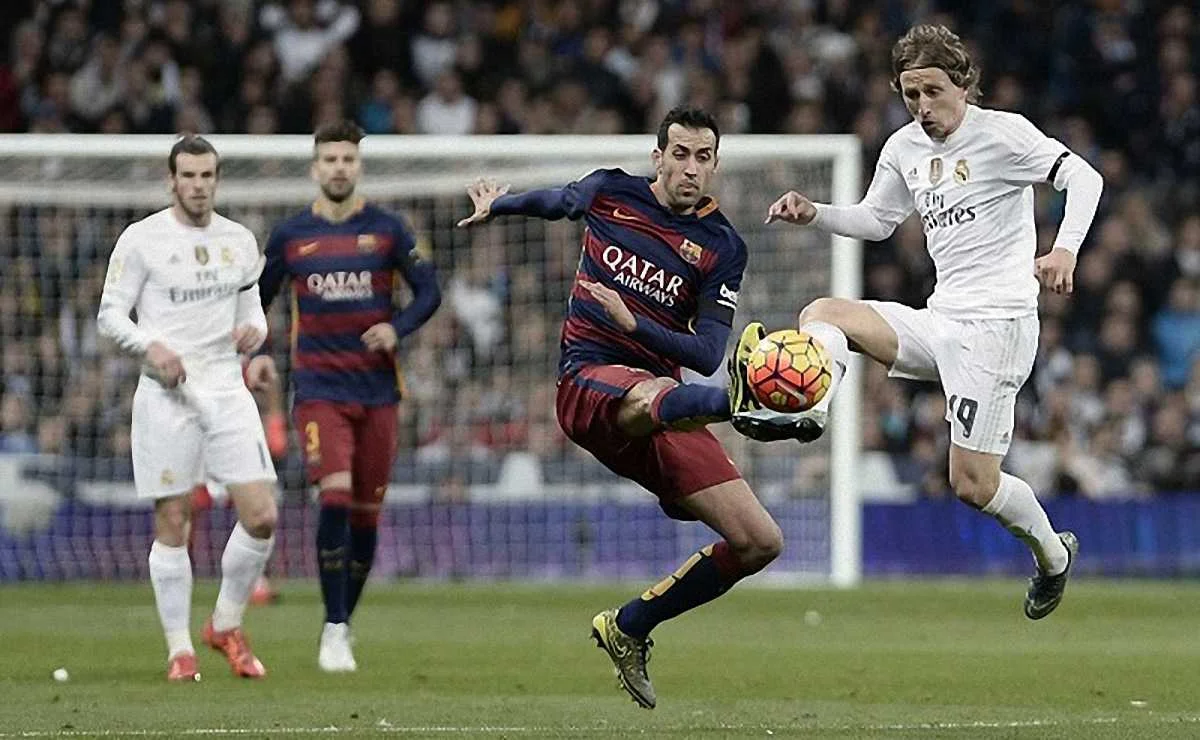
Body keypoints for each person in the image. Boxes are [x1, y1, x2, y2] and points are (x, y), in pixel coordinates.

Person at [457, 106, 805, 710]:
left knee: (760, 541)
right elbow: (559, 201)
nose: (690, 168)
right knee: (651, 395)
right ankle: (744, 405)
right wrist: (500, 205)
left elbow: (706, 352)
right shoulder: (612, 191)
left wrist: (636, 324)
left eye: (702, 158)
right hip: (588, 381)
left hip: (666, 399)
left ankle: (630, 625)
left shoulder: (723, 246)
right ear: (658, 157)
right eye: (680, 154)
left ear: (715, 166)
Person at [764, 24, 1104, 619]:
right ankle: (811, 411)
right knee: (822, 313)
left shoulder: (1003, 134)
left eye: (933, 91)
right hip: (940, 318)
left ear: (963, 85)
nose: (922, 106)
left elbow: (1085, 176)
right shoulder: (904, 147)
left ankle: (1053, 556)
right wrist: (814, 212)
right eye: (911, 94)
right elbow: (878, 219)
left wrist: (1065, 249)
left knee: (971, 484)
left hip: (997, 328)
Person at [246, 120, 442, 673]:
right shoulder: (291, 236)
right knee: (333, 497)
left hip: (378, 392)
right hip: (318, 389)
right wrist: (257, 352)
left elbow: (430, 291)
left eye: (348, 159)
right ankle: (333, 627)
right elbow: (256, 302)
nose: (339, 168)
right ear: (315, 168)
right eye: (330, 159)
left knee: (365, 518)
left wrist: (397, 329)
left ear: (359, 166)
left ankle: (342, 623)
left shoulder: (387, 229)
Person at [97, 135, 278, 681]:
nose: (198, 185)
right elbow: (110, 315)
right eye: (189, 176)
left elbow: (254, 312)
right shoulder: (142, 239)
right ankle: (180, 651)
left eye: (207, 176)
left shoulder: (239, 240)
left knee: (262, 516)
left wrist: (256, 333)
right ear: (171, 180)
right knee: (174, 519)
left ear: (217, 180)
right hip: (166, 394)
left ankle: (225, 624)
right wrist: (150, 347)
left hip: (225, 387)